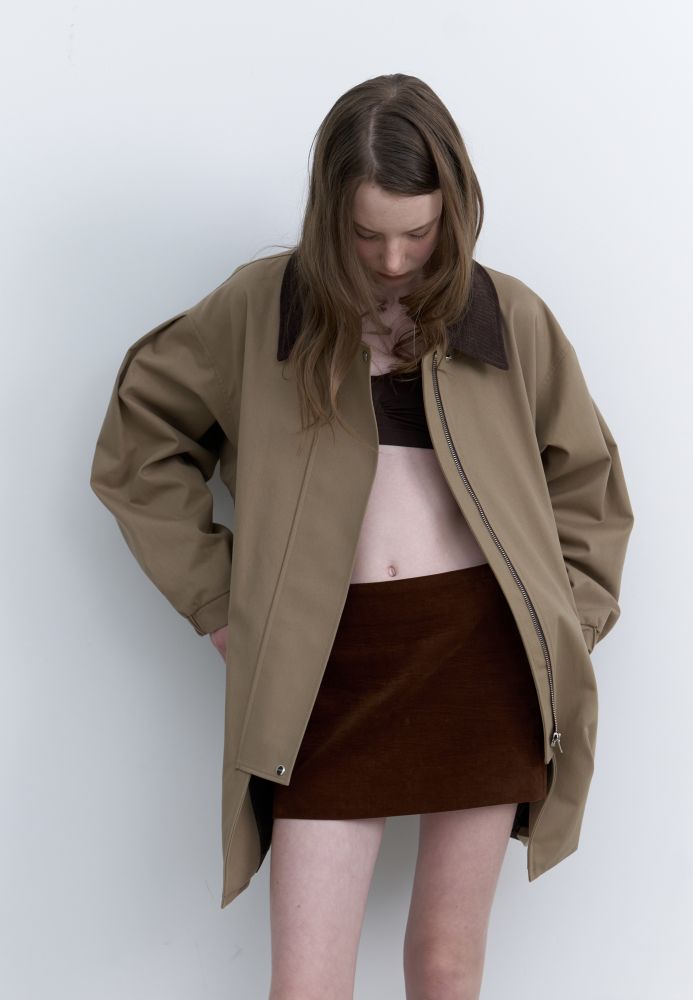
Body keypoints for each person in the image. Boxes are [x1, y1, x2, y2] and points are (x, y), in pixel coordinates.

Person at [90, 73, 634, 1000]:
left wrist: (562, 632)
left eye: (417, 232)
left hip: (483, 659)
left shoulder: (507, 316)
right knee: (307, 985)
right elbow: (139, 441)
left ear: (453, 207)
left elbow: (588, 483)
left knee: (446, 969)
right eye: (365, 233)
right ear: (327, 210)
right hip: (324, 671)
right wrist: (218, 604)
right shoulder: (264, 308)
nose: (392, 260)